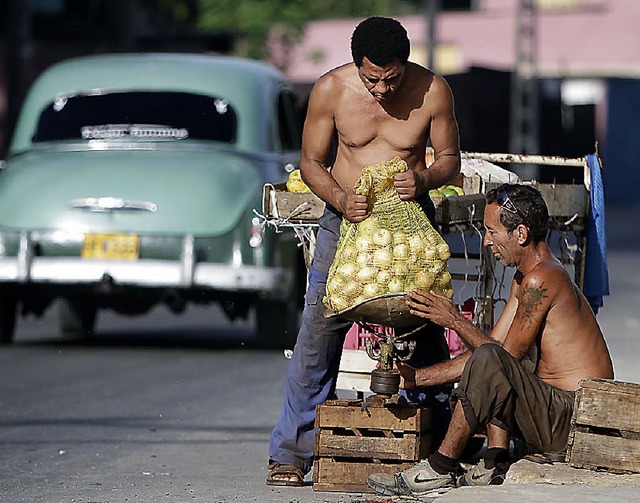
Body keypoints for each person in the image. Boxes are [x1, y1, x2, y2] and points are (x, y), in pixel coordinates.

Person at [266, 16, 461, 486]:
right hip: (346, 221)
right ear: (358, 67)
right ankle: (291, 453)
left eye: (391, 78)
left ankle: (437, 445)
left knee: (427, 324)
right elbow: (310, 162)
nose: (381, 88)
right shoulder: (331, 89)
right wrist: (339, 198)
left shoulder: (433, 91)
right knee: (320, 325)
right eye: (372, 78)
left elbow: (451, 160)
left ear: (405, 63)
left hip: (409, 222)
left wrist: (424, 179)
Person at [367, 183, 615, 496]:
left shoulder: (544, 278)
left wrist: (454, 319)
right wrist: (416, 379)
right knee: (493, 356)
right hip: (553, 409)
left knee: (496, 360)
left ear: (521, 234)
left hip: (573, 419)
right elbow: (490, 349)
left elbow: (497, 359)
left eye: (491, 231)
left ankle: (439, 468)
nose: (486, 241)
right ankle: (495, 459)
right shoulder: (525, 278)